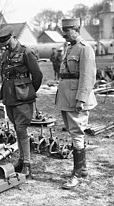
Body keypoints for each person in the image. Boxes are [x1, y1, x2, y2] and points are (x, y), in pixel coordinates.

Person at [0, 25, 43, 178]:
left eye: (7, 42)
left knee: (21, 129)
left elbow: (37, 75)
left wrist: (28, 91)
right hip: (9, 97)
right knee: (17, 129)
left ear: (13, 37)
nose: (5, 46)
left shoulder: (26, 52)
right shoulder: (6, 54)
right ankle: (21, 160)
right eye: (3, 43)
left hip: (23, 98)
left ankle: (27, 164)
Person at [55, 18, 97, 189]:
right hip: (67, 97)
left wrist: (81, 98)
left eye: (67, 30)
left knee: (77, 134)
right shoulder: (70, 48)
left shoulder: (84, 49)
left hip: (76, 98)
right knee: (74, 133)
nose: (64, 34)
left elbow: (88, 77)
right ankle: (83, 169)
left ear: (76, 29)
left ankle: (77, 175)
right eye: (63, 30)